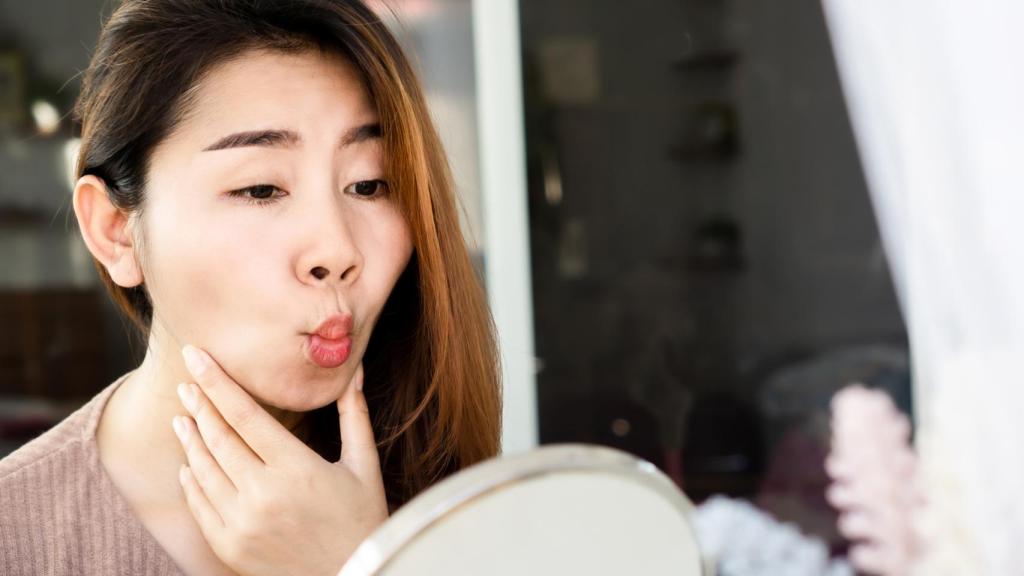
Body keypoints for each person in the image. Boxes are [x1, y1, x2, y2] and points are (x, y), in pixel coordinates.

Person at [0, 1, 502, 574]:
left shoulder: (477, 512)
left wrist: (356, 562)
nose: (337, 251)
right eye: (261, 189)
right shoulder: (16, 538)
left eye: (369, 184)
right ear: (116, 231)